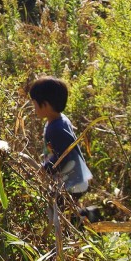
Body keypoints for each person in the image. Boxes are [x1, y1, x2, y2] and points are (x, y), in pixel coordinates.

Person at [28, 76, 97, 222]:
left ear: (45, 105)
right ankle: (87, 216)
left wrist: (45, 168)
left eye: (34, 105)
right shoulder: (59, 120)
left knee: (57, 213)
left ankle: (88, 218)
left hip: (72, 182)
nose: (34, 109)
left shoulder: (56, 128)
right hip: (74, 180)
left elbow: (63, 155)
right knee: (63, 209)